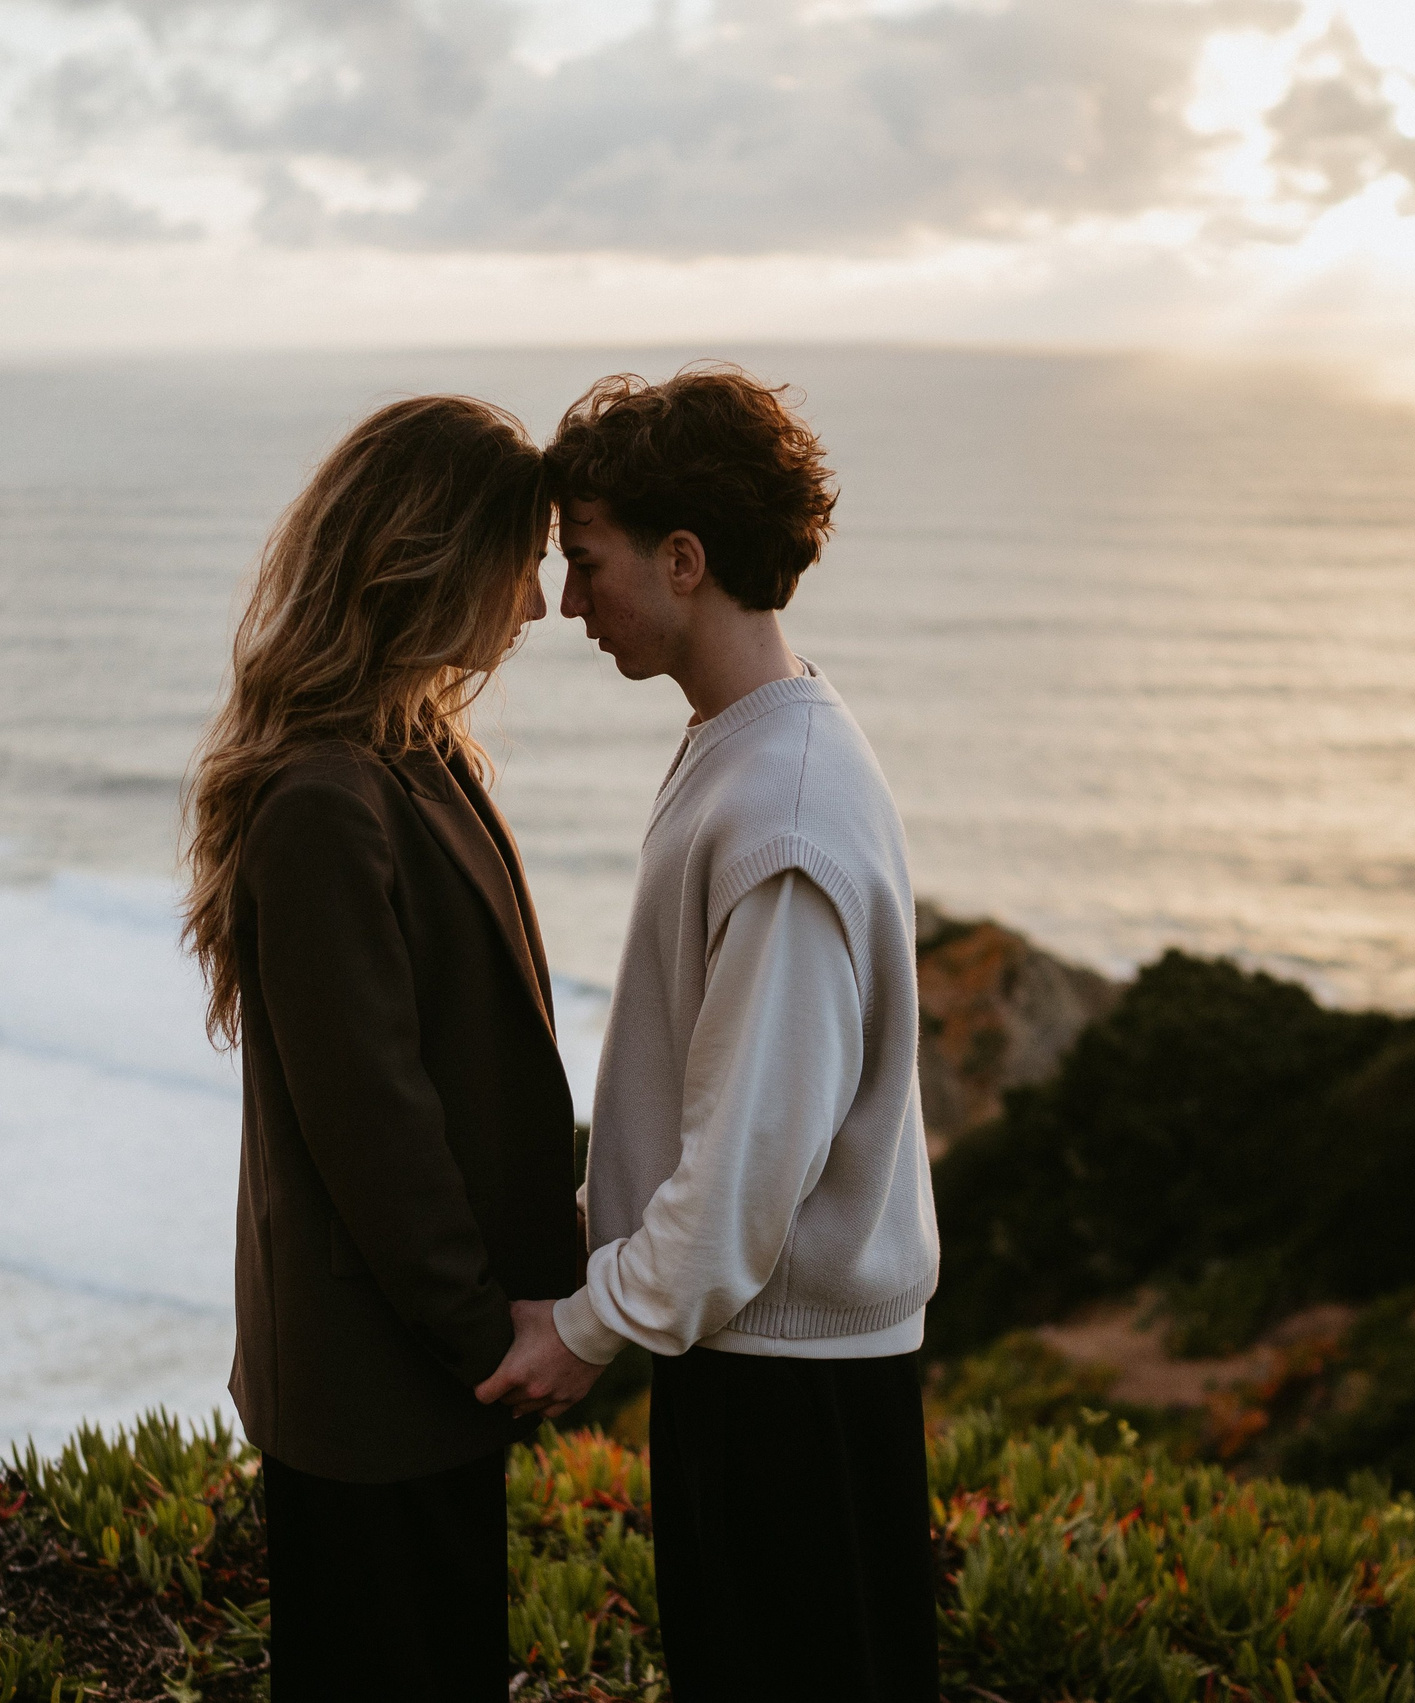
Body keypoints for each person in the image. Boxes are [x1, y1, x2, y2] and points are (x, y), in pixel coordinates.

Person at [474, 366, 941, 1702]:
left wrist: (586, 1326)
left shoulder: (783, 808)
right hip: (758, 1363)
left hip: (791, 1397)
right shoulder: (748, 741)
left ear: (684, 560)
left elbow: (744, 1172)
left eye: (587, 560)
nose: (567, 604)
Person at [182, 395, 581, 1701]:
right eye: (521, 564)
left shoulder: (417, 752)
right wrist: (490, 1343)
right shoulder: (323, 799)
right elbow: (376, 1126)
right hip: (374, 1387)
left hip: (424, 1376)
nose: (538, 605)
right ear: (435, 561)